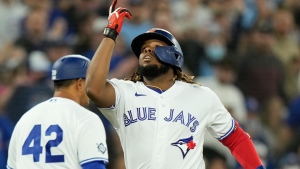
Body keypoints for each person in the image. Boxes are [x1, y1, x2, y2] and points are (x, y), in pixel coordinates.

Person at [85, 0, 264, 168]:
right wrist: (110, 33)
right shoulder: (125, 92)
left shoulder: (201, 95)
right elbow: (93, 88)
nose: (146, 49)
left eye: (155, 46)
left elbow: (236, 139)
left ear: (174, 56)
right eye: (143, 48)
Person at [7, 55, 108, 169]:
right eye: (91, 81)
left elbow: (11, 167)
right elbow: (93, 166)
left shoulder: (26, 118)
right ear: (79, 83)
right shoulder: (85, 118)